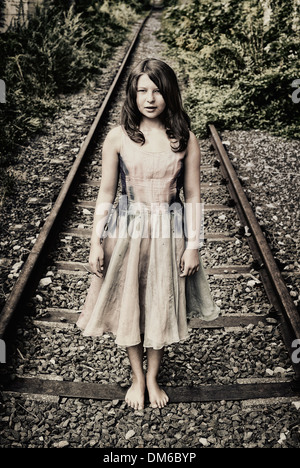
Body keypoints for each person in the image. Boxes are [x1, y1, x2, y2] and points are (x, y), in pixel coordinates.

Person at [76, 58, 220, 410]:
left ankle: (152, 376)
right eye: (142, 90)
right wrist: (95, 240)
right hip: (127, 230)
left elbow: (194, 196)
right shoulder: (118, 137)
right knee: (130, 301)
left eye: (157, 90)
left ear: (169, 94)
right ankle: (136, 377)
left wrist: (193, 246)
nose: (150, 98)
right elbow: (107, 193)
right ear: (133, 95)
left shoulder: (184, 139)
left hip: (168, 232)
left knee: (160, 299)